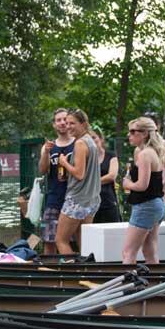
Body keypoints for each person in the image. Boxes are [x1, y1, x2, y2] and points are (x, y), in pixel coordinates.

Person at [122, 117, 165, 264]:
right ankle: (156, 283)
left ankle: (129, 285)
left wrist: (128, 184)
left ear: (145, 133)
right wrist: (163, 191)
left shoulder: (145, 154)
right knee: (149, 250)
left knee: (128, 252)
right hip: (157, 204)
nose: (129, 135)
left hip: (146, 205)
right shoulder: (156, 151)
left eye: (133, 132)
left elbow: (142, 185)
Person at [55, 109, 101, 254]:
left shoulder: (80, 143)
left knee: (61, 240)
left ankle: (72, 274)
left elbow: (79, 174)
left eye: (72, 123)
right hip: (91, 199)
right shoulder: (91, 142)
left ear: (84, 124)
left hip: (77, 199)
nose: (68, 126)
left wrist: (64, 162)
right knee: (83, 241)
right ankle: (86, 272)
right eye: (67, 123)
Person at [39, 108, 75, 254]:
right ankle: (50, 272)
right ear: (54, 124)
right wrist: (46, 152)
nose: (62, 123)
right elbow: (42, 170)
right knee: (49, 240)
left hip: (74, 198)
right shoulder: (49, 146)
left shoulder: (78, 144)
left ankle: (73, 272)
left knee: (74, 241)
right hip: (54, 198)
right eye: (58, 120)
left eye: (65, 119)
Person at [144, 111, 165, 220]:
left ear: (157, 127)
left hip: (164, 194)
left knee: (164, 229)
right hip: (148, 195)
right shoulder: (140, 148)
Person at [89, 125, 121, 223]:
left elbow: (112, 176)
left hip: (108, 201)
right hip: (90, 202)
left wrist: (91, 183)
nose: (92, 141)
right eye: (89, 139)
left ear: (101, 138)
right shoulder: (86, 158)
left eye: (94, 137)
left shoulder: (111, 155)